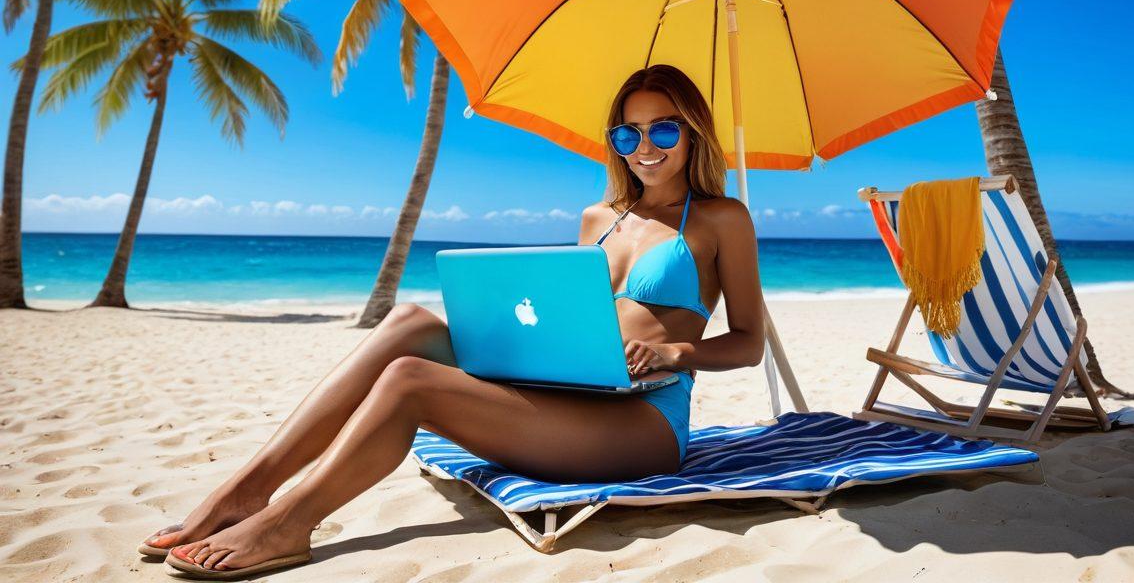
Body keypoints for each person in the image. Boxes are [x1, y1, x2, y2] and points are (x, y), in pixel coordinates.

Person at [148, 64, 767, 577]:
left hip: (644, 423)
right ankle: (245, 491)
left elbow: (748, 344)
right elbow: (563, 315)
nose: (645, 147)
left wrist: (675, 355)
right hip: (574, 391)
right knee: (409, 321)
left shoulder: (721, 219)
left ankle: (288, 525)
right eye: (627, 134)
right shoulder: (596, 217)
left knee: (410, 380)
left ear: (691, 131)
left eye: (662, 128)